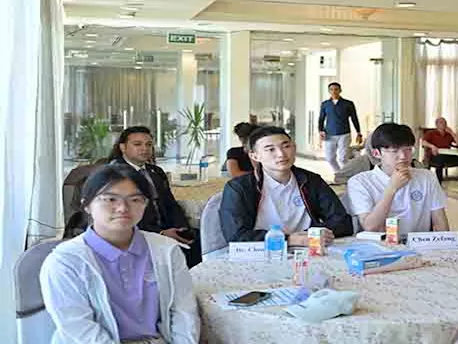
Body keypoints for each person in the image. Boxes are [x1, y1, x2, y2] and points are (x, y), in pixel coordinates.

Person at [40, 164, 199, 344]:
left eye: (135, 199)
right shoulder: (65, 261)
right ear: (87, 205)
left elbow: (184, 312)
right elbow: (78, 328)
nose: (123, 208)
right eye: (110, 199)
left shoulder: (166, 251)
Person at [219, 126, 353, 245]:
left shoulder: (311, 180)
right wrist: (290, 239)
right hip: (262, 252)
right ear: (255, 156)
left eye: (286, 146)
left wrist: (312, 234)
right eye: (270, 149)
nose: (281, 154)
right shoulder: (239, 188)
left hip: (310, 249)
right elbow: (236, 235)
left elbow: (342, 222)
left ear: (294, 147)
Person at [108, 126, 202, 267]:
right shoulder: (115, 174)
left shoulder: (156, 172)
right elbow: (121, 215)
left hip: (165, 228)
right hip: (138, 233)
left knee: (199, 239)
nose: (144, 149)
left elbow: (170, 204)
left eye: (149, 144)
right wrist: (161, 233)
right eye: (137, 144)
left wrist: (181, 227)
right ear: (123, 147)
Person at [347, 123, 450, 235]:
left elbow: (441, 223)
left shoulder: (427, 177)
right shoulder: (360, 182)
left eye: (408, 149)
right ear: (376, 153)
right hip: (379, 245)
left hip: (418, 243)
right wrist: (392, 188)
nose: (403, 156)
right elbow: (370, 227)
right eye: (395, 151)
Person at [318, 82, 363, 172]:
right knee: (330, 158)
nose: (334, 91)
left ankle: (345, 174)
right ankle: (339, 173)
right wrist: (320, 131)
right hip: (329, 135)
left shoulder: (348, 104)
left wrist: (358, 132)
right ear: (329, 91)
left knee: (343, 158)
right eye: (331, 89)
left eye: (336, 89)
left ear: (340, 90)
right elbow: (321, 119)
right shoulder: (325, 104)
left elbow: (354, 118)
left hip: (344, 134)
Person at [422, 117, 458, 187]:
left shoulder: (448, 134)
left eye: (445, 123)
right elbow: (423, 142)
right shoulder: (431, 133)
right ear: (436, 125)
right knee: (440, 159)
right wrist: (432, 146)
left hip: (447, 154)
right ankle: (438, 183)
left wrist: (452, 133)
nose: (444, 124)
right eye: (441, 123)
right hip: (435, 155)